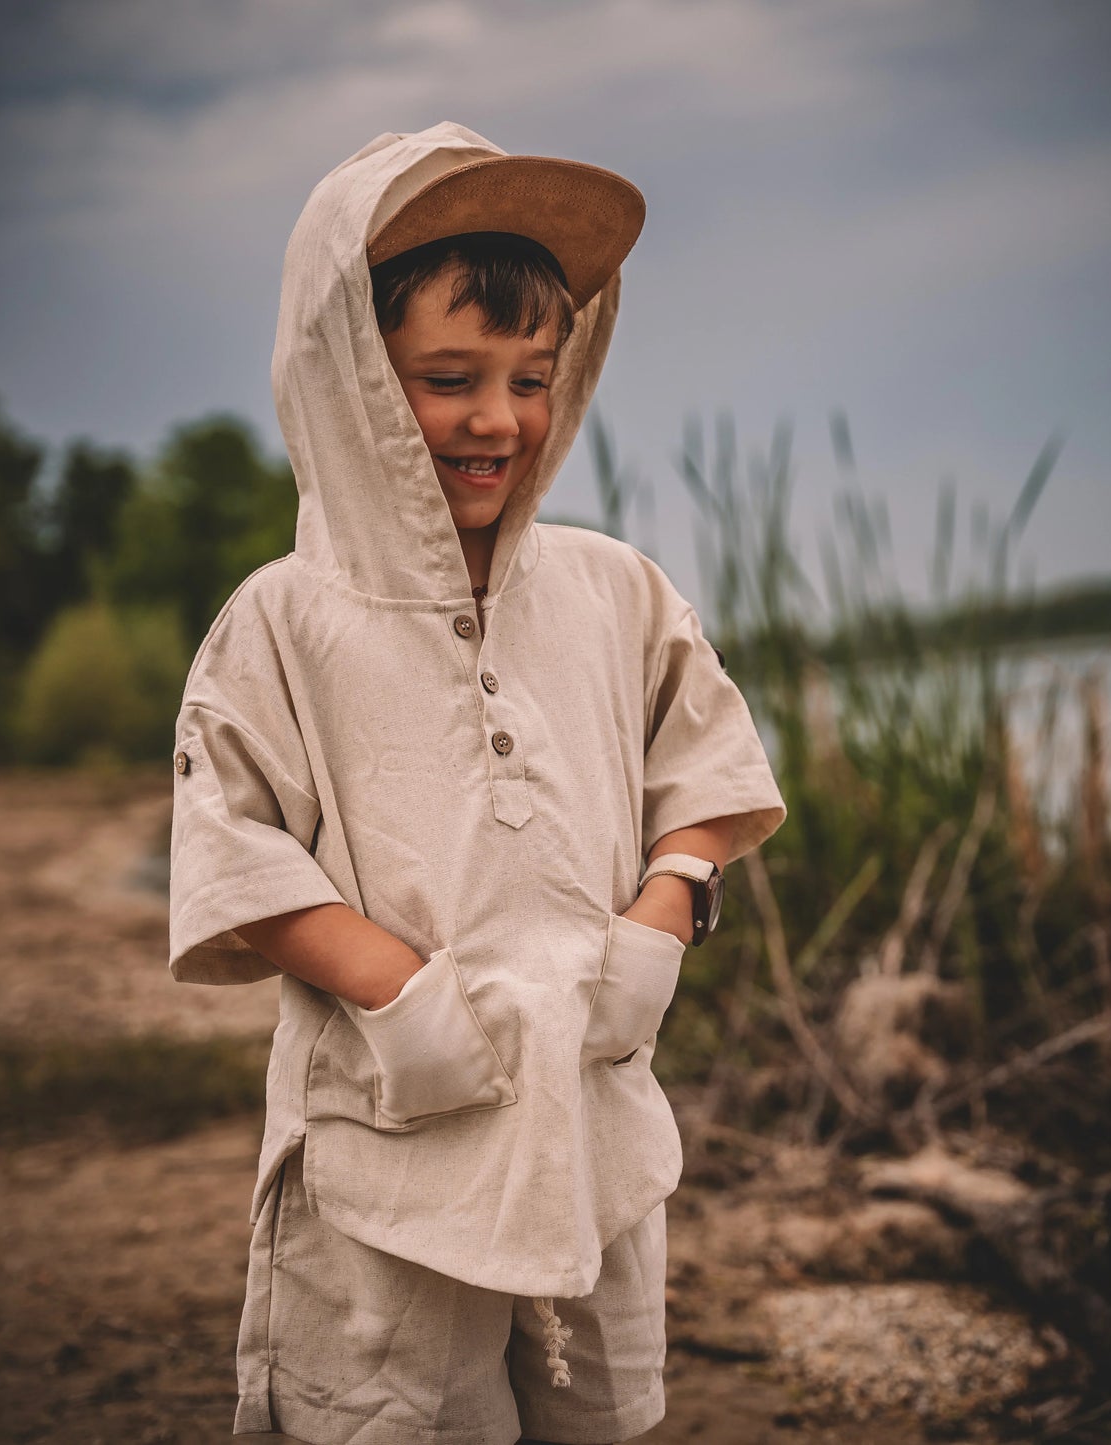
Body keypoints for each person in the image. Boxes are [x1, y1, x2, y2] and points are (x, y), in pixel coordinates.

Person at [167, 121, 785, 1445]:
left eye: (531, 374)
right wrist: (398, 992)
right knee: (398, 1409)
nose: (497, 417)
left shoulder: (614, 590)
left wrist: (661, 912)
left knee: (599, 1412)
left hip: (593, 1112)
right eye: (448, 377)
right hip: (398, 1123)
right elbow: (234, 843)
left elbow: (710, 764)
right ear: (350, 381)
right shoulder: (283, 620)